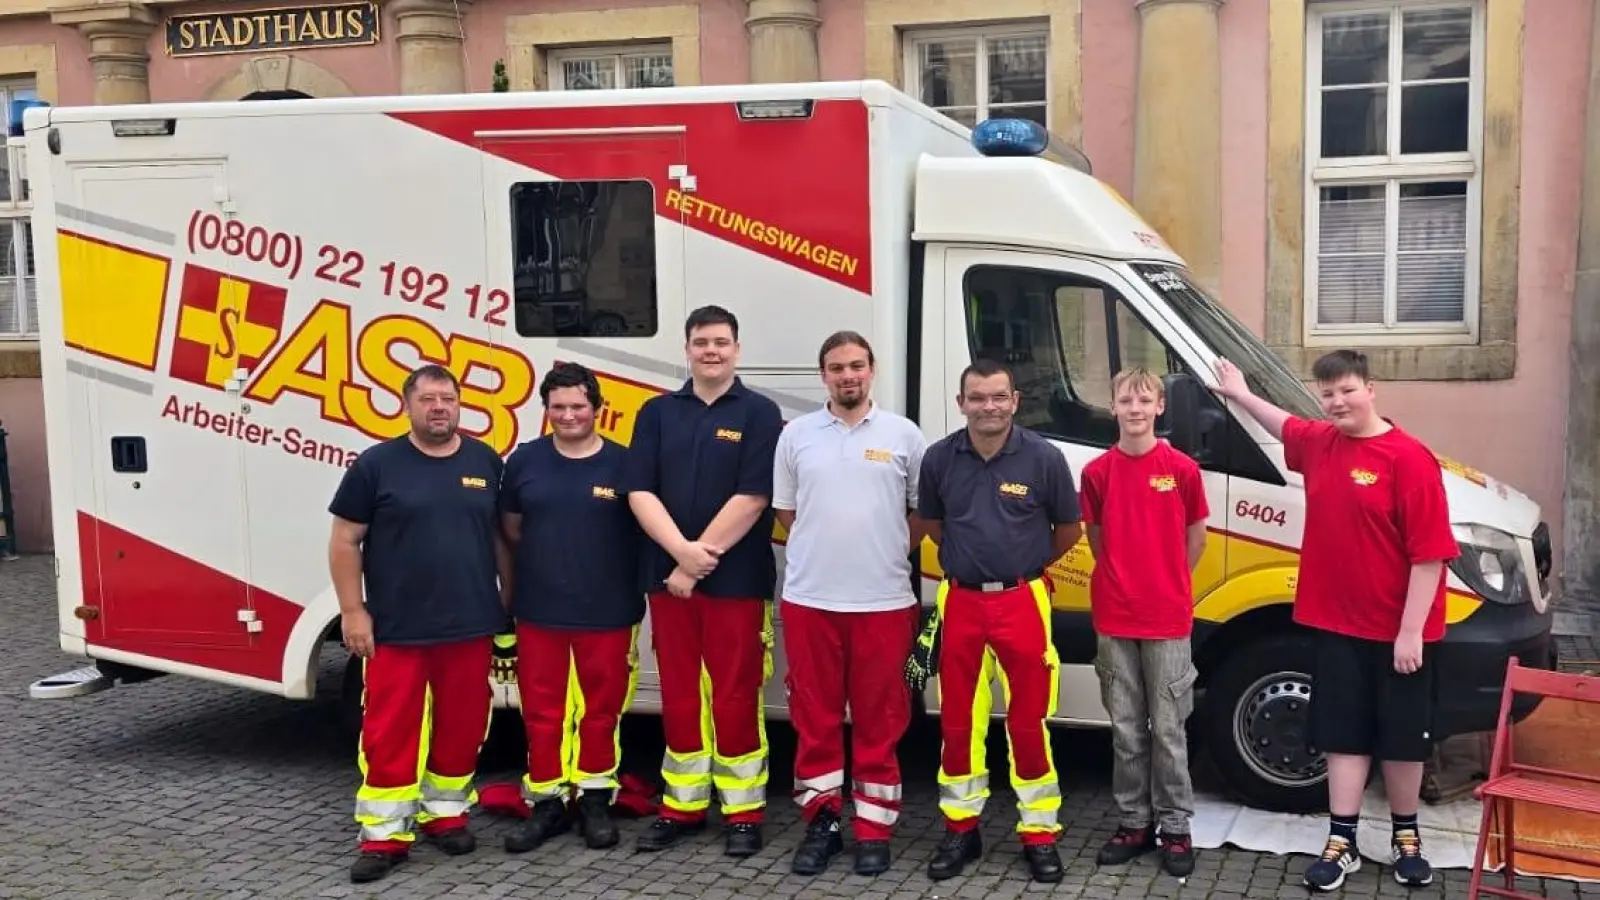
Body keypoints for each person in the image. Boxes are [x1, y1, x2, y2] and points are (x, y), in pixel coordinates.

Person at [1211, 350, 1458, 892]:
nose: (1337, 402)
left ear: (1371, 389)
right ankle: (1341, 842)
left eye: (1346, 390)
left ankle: (1407, 839)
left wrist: (1411, 632)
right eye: (1327, 394)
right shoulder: (1321, 444)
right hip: (1336, 626)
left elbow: (1430, 556)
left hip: (1399, 635)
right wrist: (1239, 393)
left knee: (1400, 740)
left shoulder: (1409, 459)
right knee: (1343, 737)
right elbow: (1283, 424)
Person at [327, 363, 512, 884]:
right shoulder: (377, 466)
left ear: (459, 405)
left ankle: (446, 816)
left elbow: (500, 537)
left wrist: (509, 596)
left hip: (471, 624)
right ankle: (384, 836)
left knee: (464, 726)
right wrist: (353, 609)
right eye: (428, 399)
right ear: (406, 405)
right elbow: (345, 540)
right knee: (389, 730)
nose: (439, 407)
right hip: (397, 628)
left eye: (447, 399)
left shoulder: (484, 461)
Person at [621, 305, 786, 857]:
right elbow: (639, 491)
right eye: (701, 342)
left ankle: (743, 811)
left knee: (736, 693)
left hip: (734, 582)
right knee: (680, 692)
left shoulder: (761, 413)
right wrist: (680, 557)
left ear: (737, 349)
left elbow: (754, 496)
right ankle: (683, 806)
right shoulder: (657, 412)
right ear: (686, 349)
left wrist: (695, 561)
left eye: (721, 342)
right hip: (668, 580)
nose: (711, 351)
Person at [914, 358, 1082, 884]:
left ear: (1014, 401)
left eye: (998, 397)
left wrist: (1020, 564)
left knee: (1030, 724)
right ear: (961, 402)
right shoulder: (940, 459)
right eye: (977, 397)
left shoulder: (1043, 457)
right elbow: (934, 525)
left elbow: (1069, 530)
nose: (988, 407)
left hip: (1022, 600)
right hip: (959, 601)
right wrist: (973, 560)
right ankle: (961, 829)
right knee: (958, 724)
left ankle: (1038, 834)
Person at [771, 331, 928, 877]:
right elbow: (789, 514)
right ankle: (822, 823)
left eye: (856, 366)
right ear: (823, 376)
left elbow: (922, 514)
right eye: (837, 368)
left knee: (880, 716)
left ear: (873, 369)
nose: (848, 376)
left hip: (884, 600)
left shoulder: (905, 435)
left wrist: (882, 547)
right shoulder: (796, 436)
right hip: (811, 598)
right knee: (814, 715)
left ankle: (874, 827)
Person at [499, 362, 646, 856]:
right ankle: (546, 802)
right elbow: (512, 530)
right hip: (540, 610)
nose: (568, 415)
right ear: (546, 411)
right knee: (542, 713)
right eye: (558, 407)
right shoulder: (524, 462)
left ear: (597, 409)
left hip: (608, 611)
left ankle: (596, 800)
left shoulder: (626, 464)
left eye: (578, 406)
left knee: (601, 713)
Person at [1079, 368, 1208, 878]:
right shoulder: (1097, 472)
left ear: (1159, 408)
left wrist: (1167, 580)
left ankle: (1175, 827)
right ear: (1112, 406)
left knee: (1170, 728)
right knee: (1127, 729)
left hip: (1168, 618)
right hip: (1114, 616)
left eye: (1144, 400)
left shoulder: (1181, 469)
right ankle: (1134, 822)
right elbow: (1094, 536)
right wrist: (1123, 580)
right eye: (1125, 400)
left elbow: (1195, 537)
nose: (1135, 409)